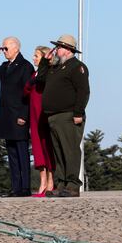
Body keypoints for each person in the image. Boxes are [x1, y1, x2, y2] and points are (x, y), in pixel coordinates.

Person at [0, 36, 34, 197]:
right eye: (2, 48)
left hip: (19, 116)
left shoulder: (25, 66)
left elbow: (29, 93)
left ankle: (25, 188)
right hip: (6, 115)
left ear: (16, 48)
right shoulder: (5, 66)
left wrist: (24, 115)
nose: (3, 51)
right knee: (11, 153)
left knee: (22, 152)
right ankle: (15, 187)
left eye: (6, 48)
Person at [40, 34, 89, 198]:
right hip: (53, 116)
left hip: (68, 115)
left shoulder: (77, 67)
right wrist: (44, 62)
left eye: (58, 47)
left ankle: (72, 185)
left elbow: (83, 91)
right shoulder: (55, 68)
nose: (56, 50)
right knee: (59, 152)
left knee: (70, 150)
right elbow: (40, 79)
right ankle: (61, 184)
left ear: (68, 50)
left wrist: (78, 112)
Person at [24, 46, 55, 197]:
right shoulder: (34, 74)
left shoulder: (48, 72)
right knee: (37, 148)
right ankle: (42, 181)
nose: (33, 58)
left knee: (47, 147)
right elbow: (25, 90)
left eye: (36, 56)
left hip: (44, 114)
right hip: (34, 115)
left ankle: (50, 181)